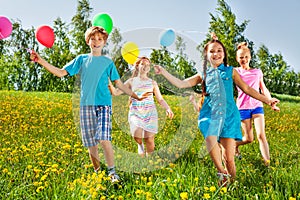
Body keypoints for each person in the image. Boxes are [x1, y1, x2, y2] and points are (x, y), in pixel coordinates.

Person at [154, 33, 279, 186]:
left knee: (229, 158)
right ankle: (221, 171)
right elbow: (181, 84)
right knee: (210, 136)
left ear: (224, 54)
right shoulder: (204, 73)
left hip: (229, 116)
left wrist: (267, 100)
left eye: (219, 50)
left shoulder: (231, 71)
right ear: (206, 55)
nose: (216, 54)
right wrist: (164, 72)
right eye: (212, 51)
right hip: (209, 114)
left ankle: (231, 185)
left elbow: (247, 89)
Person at [30, 26, 146, 182]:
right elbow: (60, 72)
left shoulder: (108, 62)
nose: (96, 42)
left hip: (104, 105)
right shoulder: (81, 59)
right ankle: (97, 173)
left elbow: (119, 84)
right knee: (92, 143)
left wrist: (134, 95)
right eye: (93, 39)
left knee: (104, 138)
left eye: (100, 39)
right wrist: (40, 60)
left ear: (104, 42)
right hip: (86, 106)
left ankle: (112, 172)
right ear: (88, 41)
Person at [109, 56, 174, 156]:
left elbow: (160, 99)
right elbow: (116, 92)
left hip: (150, 112)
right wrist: (108, 82)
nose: (145, 66)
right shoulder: (131, 81)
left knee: (149, 139)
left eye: (148, 65)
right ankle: (139, 145)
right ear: (137, 66)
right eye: (143, 64)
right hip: (136, 112)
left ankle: (150, 160)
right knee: (136, 135)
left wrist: (168, 108)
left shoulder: (152, 83)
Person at [235, 42, 280, 165]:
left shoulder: (257, 72)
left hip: (257, 106)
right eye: (241, 57)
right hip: (243, 107)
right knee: (249, 138)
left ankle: (267, 163)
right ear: (237, 59)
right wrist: (215, 41)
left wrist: (271, 102)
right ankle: (234, 145)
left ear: (250, 57)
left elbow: (263, 88)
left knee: (261, 135)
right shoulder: (235, 72)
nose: (243, 60)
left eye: (246, 57)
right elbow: (220, 64)